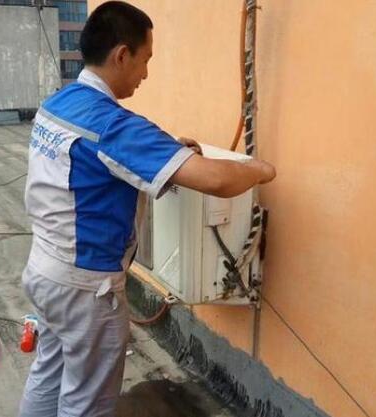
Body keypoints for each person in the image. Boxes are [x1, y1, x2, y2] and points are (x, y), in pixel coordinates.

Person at [18, 2, 276, 417]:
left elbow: (104, 160)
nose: (146, 73)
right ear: (123, 55)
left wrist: (171, 153)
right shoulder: (113, 126)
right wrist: (261, 170)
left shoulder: (61, 103)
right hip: (86, 289)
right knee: (86, 402)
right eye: (146, 59)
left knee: (48, 374)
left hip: (44, 271)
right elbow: (216, 180)